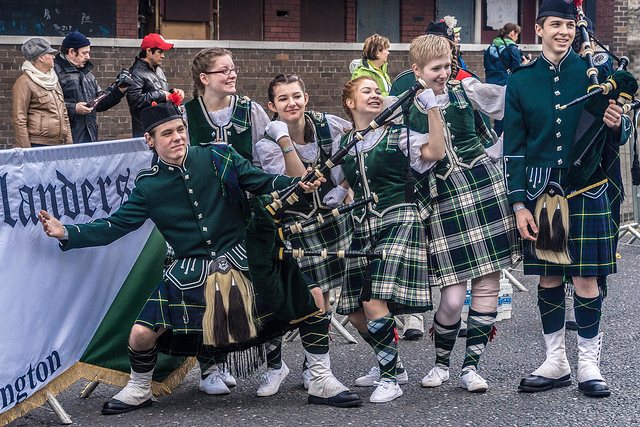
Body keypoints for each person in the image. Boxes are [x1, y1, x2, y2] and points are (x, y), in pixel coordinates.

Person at [37, 102, 324, 415]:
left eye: (180, 130)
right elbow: (115, 226)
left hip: (243, 259)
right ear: (150, 140)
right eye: (167, 133)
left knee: (312, 294)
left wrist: (297, 183)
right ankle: (139, 388)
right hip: (189, 270)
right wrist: (66, 232)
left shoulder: (218, 156)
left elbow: (261, 180)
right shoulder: (148, 185)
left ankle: (322, 377)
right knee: (141, 334)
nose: (177, 137)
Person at [504, 0, 633, 398]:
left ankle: (589, 363)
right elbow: (515, 146)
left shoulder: (596, 74)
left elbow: (618, 130)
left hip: (588, 186)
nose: (564, 31)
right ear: (538, 29)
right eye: (555, 24)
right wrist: (519, 203)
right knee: (550, 276)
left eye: (569, 25)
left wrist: (619, 123)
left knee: (586, 277)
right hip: (544, 192)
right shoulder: (521, 80)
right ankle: (555, 360)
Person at [403, 34, 520, 393]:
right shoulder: (406, 107)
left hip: (484, 191)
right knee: (452, 300)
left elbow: (491, 132)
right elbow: (418, 160)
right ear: (417, 70)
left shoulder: (466, 94)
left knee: (487, 285)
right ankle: (441, 364)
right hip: (444, 199)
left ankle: (471, 367)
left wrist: (498, 155)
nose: (443, 74)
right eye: (435, 68)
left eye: (447, 66)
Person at [251, 73, 362, 406]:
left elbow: (357, 144)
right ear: (272, 106)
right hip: (294, 226)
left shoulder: (327, 124)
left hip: (329, 222)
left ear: (306, 97)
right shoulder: (268, 143)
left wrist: (344, 188)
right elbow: (300, 179)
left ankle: (312, 367)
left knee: (324, 296)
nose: (292, 103)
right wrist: (285, 139)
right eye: (283, 99)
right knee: (307, 296)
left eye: (297, 96)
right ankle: (303, 370)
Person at [335, 76, 445, 403]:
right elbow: (345, 185)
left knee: (371, 300)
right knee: (355, 312)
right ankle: (393, 364)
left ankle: (389, 379)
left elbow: (436, 151)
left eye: (377, 91)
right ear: (350, 103)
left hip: (399, 218)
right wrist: (334, 196)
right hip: (363, 226)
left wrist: (433, 109)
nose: (375, 95)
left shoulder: (399, 136)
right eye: (365, 91)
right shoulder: (343, 144)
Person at [185, 48, 269, 165]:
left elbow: (265, 161)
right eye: (225, 71)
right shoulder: (187, 114)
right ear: (204, 78)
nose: (233, 75)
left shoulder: (250, 110)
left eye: (233, 69)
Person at [54, 31, 127, 143]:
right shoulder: (54, 72)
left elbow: (100, 103)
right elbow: (49, 105)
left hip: (89, 135)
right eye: (84, 53)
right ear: (71, 52)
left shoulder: (88, 75)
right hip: (66, 138)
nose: (88, 57)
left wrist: (120, 90)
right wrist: (73, 108)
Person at [12, 38, 72, 148]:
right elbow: (19, 119)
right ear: (41, 58)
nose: (54, 57)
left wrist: (69, 144)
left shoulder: (53, 80)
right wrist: (26, 150)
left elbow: (64, 114)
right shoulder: (24, 82)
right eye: (50, 54)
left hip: (59, 144)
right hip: (38, 145)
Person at [127, 33, 184, 137]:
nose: (163, 56)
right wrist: (162, 95)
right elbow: (134, 100)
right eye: (160, 52)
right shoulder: (136, 73)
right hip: (146, 132)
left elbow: (158, 92)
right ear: (149, 51)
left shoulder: (158, 70)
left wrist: (172, 93)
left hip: (161, 128)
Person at [483, 23, 531, 137]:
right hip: (506, 86)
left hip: (492, 86)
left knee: (497, 117)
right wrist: (525, 63)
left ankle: (496, 142)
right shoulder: (511, 48)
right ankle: (502, 147)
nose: (517, 38)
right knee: (506, 118)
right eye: (517, 35)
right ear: (512, 33)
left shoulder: (490, 47)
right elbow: (517, 70)